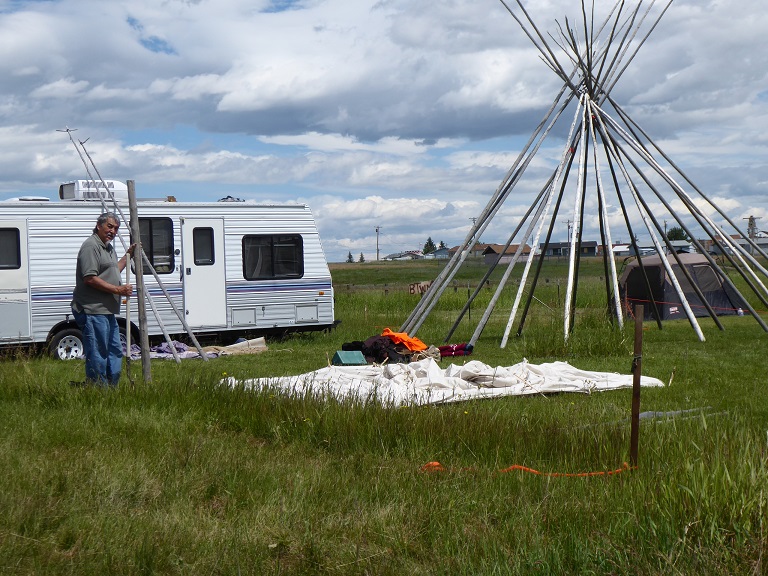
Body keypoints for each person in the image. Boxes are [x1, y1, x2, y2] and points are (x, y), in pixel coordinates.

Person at [71, 212, 135, 386]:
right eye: (110, 226)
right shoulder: (91, 246)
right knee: (98, 351)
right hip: (93, 308)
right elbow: (89, 278)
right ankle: (98, 389)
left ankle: (111, 387)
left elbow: (113, 270)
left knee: (114, 349)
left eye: (116, 229)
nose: (113, 231)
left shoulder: (108, 247)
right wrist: (118, 289)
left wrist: (128, 256)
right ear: (99, 225)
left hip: (107, 310)